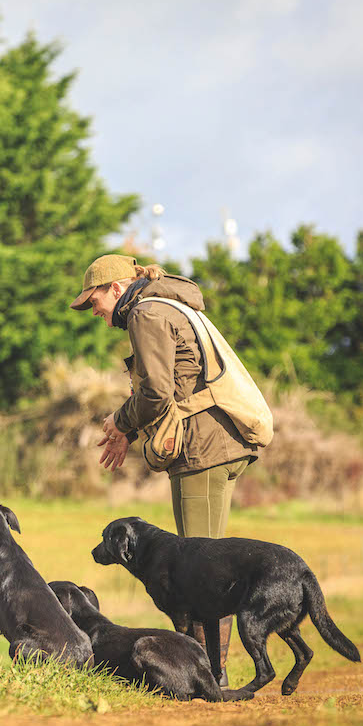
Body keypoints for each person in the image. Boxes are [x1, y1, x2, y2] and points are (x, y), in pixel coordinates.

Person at [70, 253, 259, 685]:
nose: (96, 313)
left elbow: (155, 393)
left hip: (203, 452)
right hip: (208, 447)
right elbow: (174, 389)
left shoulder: (145, 313)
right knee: (202, 565)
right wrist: (131, 434)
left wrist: (119, 421)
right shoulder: (165, 306)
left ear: (115, 288)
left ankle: (210, 677)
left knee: (202, 570)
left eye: (94, 301)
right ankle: (208, 672)